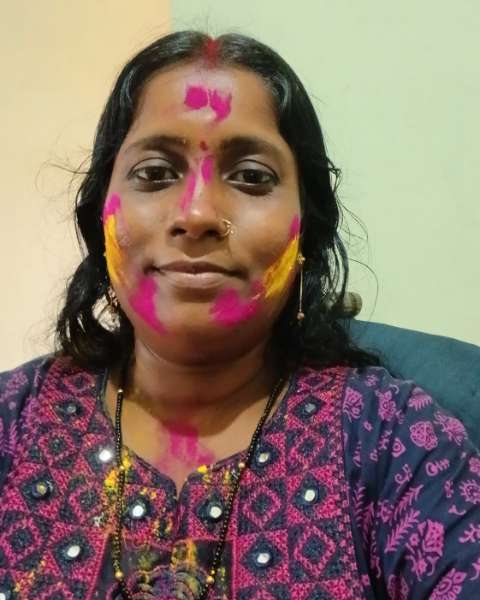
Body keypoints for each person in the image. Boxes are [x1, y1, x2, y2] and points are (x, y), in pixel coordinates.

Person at [0, 30, 479, 600]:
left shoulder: (395, 443)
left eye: (251, 176)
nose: (198, 214)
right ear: (101, 212)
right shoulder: (13, 426)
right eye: (155, 173)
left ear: (307, 229)